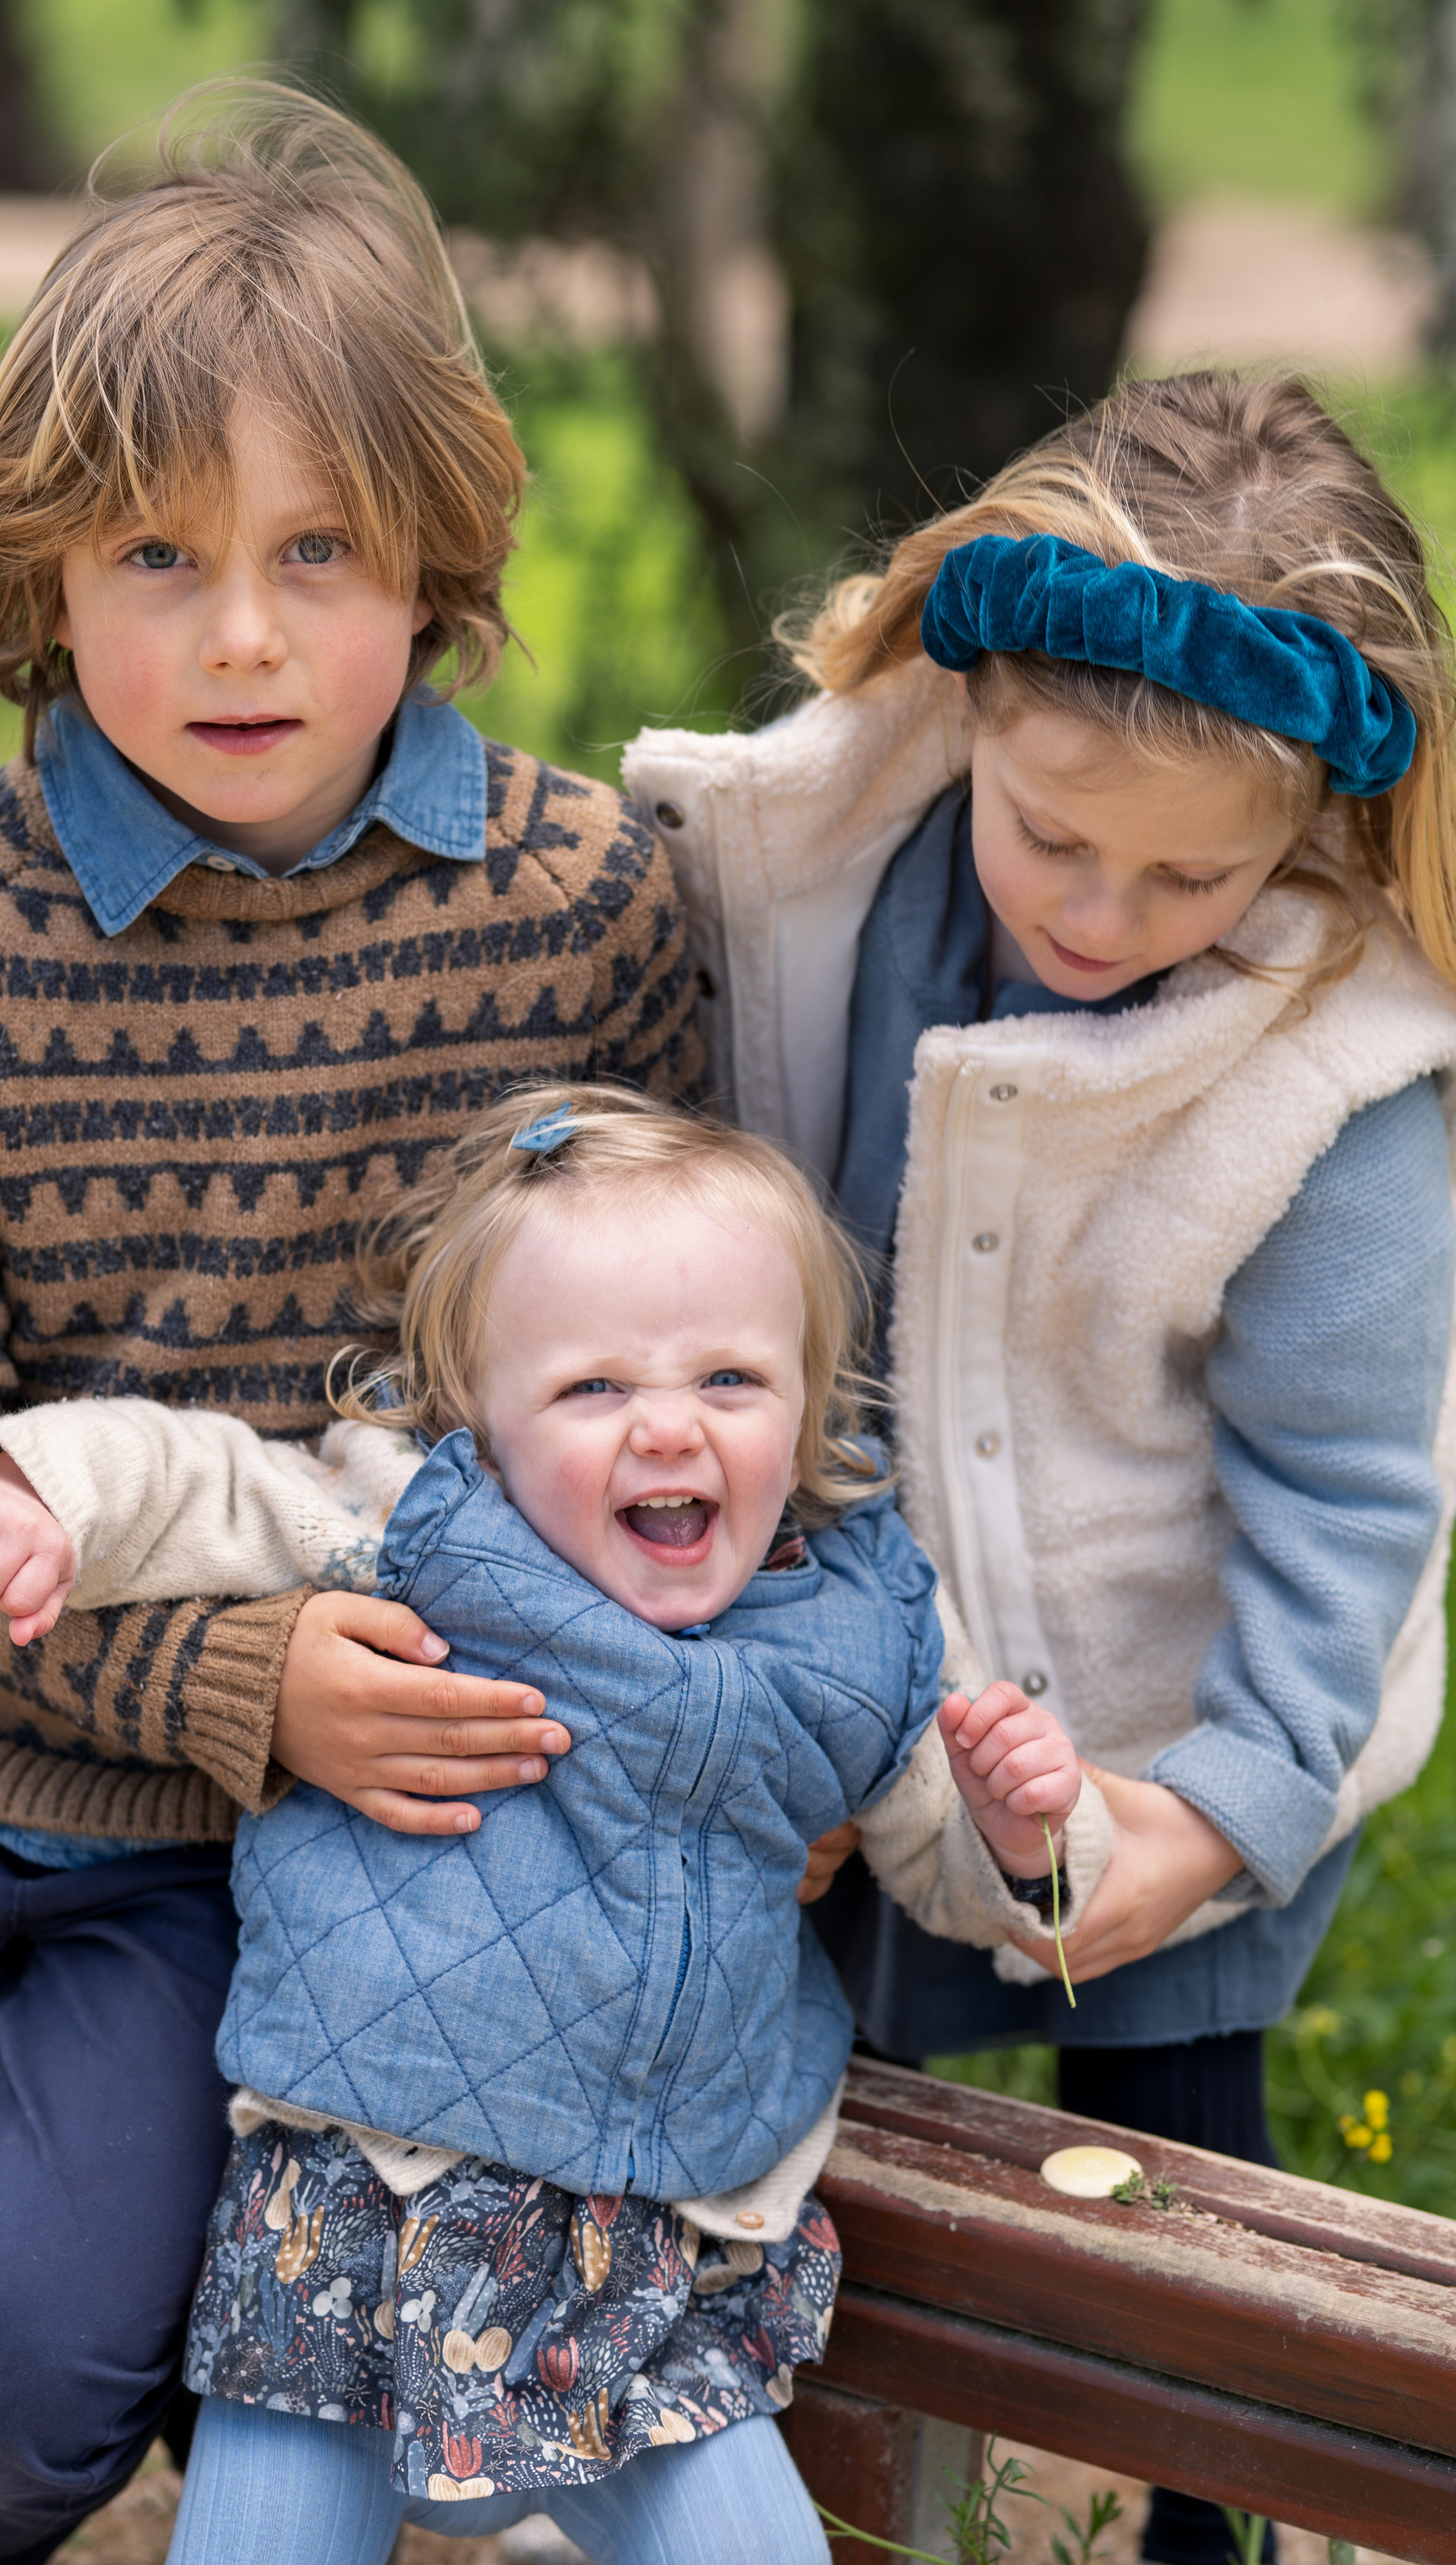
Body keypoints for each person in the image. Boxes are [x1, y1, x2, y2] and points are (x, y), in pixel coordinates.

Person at [0, 85, 702, 2565]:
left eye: (319, 550)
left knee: (3, 2395)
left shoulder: (584, 914)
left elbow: (672, 1367)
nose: (243, 635)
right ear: (42, 575)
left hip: (257, 1854)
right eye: (159, 556)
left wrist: (324, 1712)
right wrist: (224, 1671)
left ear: (436, 551)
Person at [623, 371, 1456, 2565]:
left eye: (1192, 872)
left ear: (1309, 824)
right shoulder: (813, 881)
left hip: (1158, 1705)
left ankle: (1205, 2520)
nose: (1099, 909)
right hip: (834, 1661)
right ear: (969, 704)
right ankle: (806, 2484)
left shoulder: (1332, 1092)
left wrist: (1229, 1806)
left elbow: (1349, 1503)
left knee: (1170, 2186)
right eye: (1053, 836)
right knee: (809, 2117)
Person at [0, 1082, 1091, 2565]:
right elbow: (209, 1477)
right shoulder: (422, 1524)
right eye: (592, 1386)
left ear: (808, 1395)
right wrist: (47, 1495)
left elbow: (953, 1864)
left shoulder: (863, 1620)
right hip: (357, 2217)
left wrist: (1022, 1835)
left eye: (731, 1377)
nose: (667, 1423)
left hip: (656, 2251)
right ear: (477, 1408)